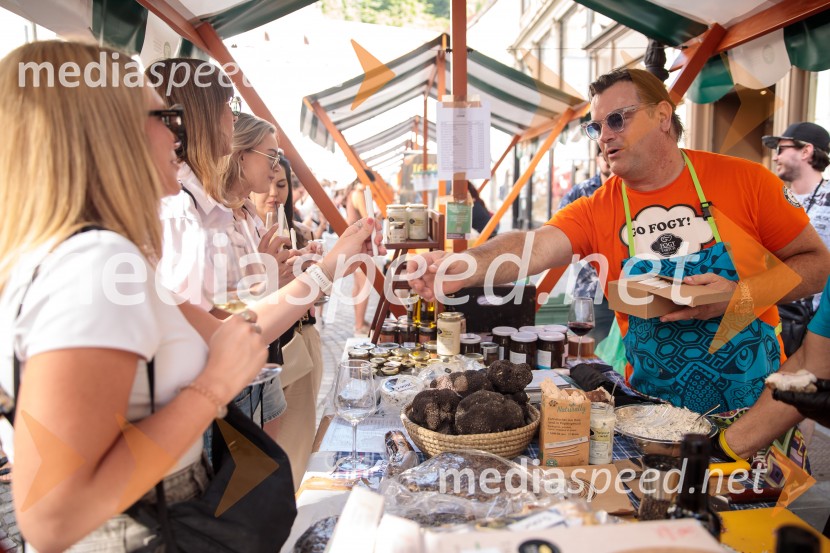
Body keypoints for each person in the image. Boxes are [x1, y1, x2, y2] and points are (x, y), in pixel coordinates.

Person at [0, 40, 383, 551]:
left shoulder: (95, 256)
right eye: (163, 117)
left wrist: (324, 272)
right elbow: (53, 516)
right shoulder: (91, 265)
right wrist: (211, 389)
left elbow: (232, 333)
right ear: (106, 132)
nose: (175, 137)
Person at [407, 67, 830, 462]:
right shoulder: (598, 208)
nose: (603, 135)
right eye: (596, 126)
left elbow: (817, 264)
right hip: (656, 421)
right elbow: (531, 247)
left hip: (755, 415)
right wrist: (461, 265)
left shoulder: (746, 181)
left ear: (662, 115)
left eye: (617, 120)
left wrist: (739, 297)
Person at [148, 59, 287, 430]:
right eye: (228, 105)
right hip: (202, 396)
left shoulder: (204, 204)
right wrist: (293, 277)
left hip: (220, 382)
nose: (232, 116)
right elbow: (204, 320)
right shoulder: (181, 206)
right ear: (202, 113)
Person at [763, 122, 830, 312]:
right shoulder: (771, 198)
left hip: (818, 323)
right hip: (769, 313)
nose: (775, 157)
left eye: (781, 149)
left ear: (805, 151)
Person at [558, 149, 615, 344]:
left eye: (613, 153)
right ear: (597, 158)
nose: (608, 158)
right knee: (585, 349)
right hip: (590, 288)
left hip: (627, 288)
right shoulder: (581, 191)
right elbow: (559, 228)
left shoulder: (633, 190)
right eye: (603, 154)